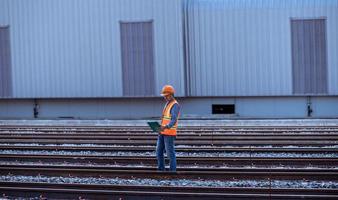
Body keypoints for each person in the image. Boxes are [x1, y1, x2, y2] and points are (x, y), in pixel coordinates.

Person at [156, 85, 180, 172]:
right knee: (158, 152)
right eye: (164, 96)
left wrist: (166, 127)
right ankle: (161, 169)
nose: (165, 97)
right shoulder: (167, 104)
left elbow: (173, 120)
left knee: (170, 154)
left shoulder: (175, 105)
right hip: (162, 132)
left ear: (171, 94)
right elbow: (165, 118)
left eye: (166, 95)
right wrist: (159, 128)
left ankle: (172, 171)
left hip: (169, 133)